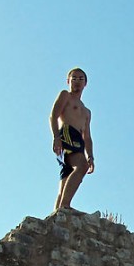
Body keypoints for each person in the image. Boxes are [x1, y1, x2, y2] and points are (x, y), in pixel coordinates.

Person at [50, 67, 94, 210]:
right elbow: (54, 115)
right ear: (68, 81)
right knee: (81, 166)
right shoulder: (65, 96)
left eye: (81, 79)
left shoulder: (87, 112)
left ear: (85, 84)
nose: (77, 81)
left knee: (67, 177)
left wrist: (90, 156)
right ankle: (65, 205)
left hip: (79, 141)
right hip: (67, 132)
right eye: (74, 78)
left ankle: (57, 213)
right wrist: (56, 137)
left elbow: (87, 136)